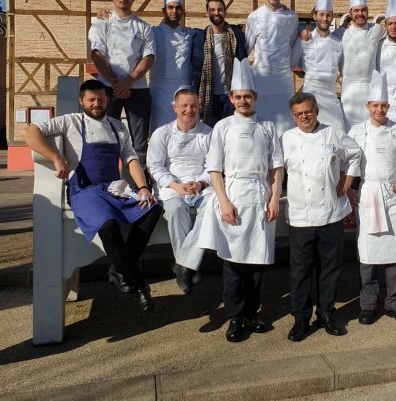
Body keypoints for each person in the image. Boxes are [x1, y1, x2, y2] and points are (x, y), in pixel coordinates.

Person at [22, 79, 162, 311]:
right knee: (109, 226)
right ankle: (138, 285)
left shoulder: (117, 127)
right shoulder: (70, 122)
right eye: (91, 100)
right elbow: (29, 131)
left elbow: (131, 158)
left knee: (152, 208)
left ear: (107, 101)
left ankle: (119, 269)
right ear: (81, 101)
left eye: (101, 99)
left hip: (113, 189)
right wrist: (56, 157)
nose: (97, 104)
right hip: (84, 191)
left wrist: (144, 187)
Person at [197, 58, 283, 342]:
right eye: (238, 97)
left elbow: (276, 166)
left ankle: (252, 312)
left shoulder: (268, 127)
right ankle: (235, 317)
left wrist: (274, 200)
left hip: (259, 196)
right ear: (232, 99)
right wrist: (224, 202)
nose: (243, 101)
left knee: (256, 263)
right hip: (233, 195)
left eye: (248, 96)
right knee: (233, 263)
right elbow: (214, 169)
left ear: (255, 97)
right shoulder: (222, 127)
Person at [282, 92, 361, 341]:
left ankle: (326, 314)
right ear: (293, 117)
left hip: (331, 213)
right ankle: (301, 318)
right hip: (300, 215)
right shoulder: (286, 139)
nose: (304, 116)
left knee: (330, 268)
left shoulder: (334, 132)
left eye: (308, 111)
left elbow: (356, 153)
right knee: (301, 271)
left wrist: (348, 180)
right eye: (299, 114)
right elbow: (275, 170)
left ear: (316, 110)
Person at [348, 71, 396, 325]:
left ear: (389, 106)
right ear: (367, 106)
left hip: (391, 193)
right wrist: (349, 187)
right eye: (375, 105)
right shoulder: (355, 131)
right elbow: (347, 162)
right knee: (367, 253)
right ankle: (368, 304)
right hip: (367, 194)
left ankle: (394, 302)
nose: (379, 109)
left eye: (383, 105)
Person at [147, 87, 212, 294]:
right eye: (184, 106)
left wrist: (200, 183)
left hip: (201, 186)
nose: (189, 110)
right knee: (175, 210)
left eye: (193, 106)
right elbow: (155, 166)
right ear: (175, 108)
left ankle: (183, 265)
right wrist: (176, 185)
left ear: (199, 107)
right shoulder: (162, 133)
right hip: (172, 186)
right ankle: (191, 265)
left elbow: (214, 165)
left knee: (213, 209)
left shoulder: (208, 133)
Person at [89, 0, 156, 163]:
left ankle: (139, 186)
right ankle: (106, 180)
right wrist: (115, 81)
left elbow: (149, 57)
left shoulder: (143, 27)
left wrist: (129, 81)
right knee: (105, 135)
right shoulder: (102, 22)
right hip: (107, 88)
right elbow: (96, 53)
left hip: (138, 88)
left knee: (139, 141)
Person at [244, 0, 300, 135]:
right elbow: (246, 49)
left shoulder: (291, 17)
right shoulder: (254, 17)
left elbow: (292, 45)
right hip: (261, 77)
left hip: (283, 79)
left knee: (285, 126)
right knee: (261, 124)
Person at [192, 0, 248, 127]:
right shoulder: (200, 38)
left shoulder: (236, 34)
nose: (216, 13)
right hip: (209, 95)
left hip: (231, 94)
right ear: (207, 13)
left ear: (225, 12)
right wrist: (195, 96)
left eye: (219, 9)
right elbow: (195, 69)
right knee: (210, 132)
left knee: (231, 131)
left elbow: (243, 62)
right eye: (212, 10)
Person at [149, 0, 199, 131]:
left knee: (185, 128)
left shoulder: (191, 33)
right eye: (170, 7)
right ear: (163, 10)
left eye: (178, 8)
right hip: (158, 90)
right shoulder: (153, 32)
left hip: (183, 87)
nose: (174, 11)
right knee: (161, 130)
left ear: (183, 11)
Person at [297, 0, 344, 131]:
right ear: (314, 16)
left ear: (332, 17)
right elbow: (293, 62)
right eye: (322, 14)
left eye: (328, 15)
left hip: (330, 96)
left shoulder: (338, 43)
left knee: (337, 131)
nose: (325, 18)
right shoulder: (305, 39)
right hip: (310, 95)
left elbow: (343, 69)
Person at [338, 0, 386, 129]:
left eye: (363, 10)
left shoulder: (376, 29)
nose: (360, 14)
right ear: (350, 13)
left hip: (369, 88)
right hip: (348, 90)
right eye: (356, 10)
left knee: (370, 128)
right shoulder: (340, 33)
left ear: (368, 11)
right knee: (350, 129)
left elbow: (394, 33)